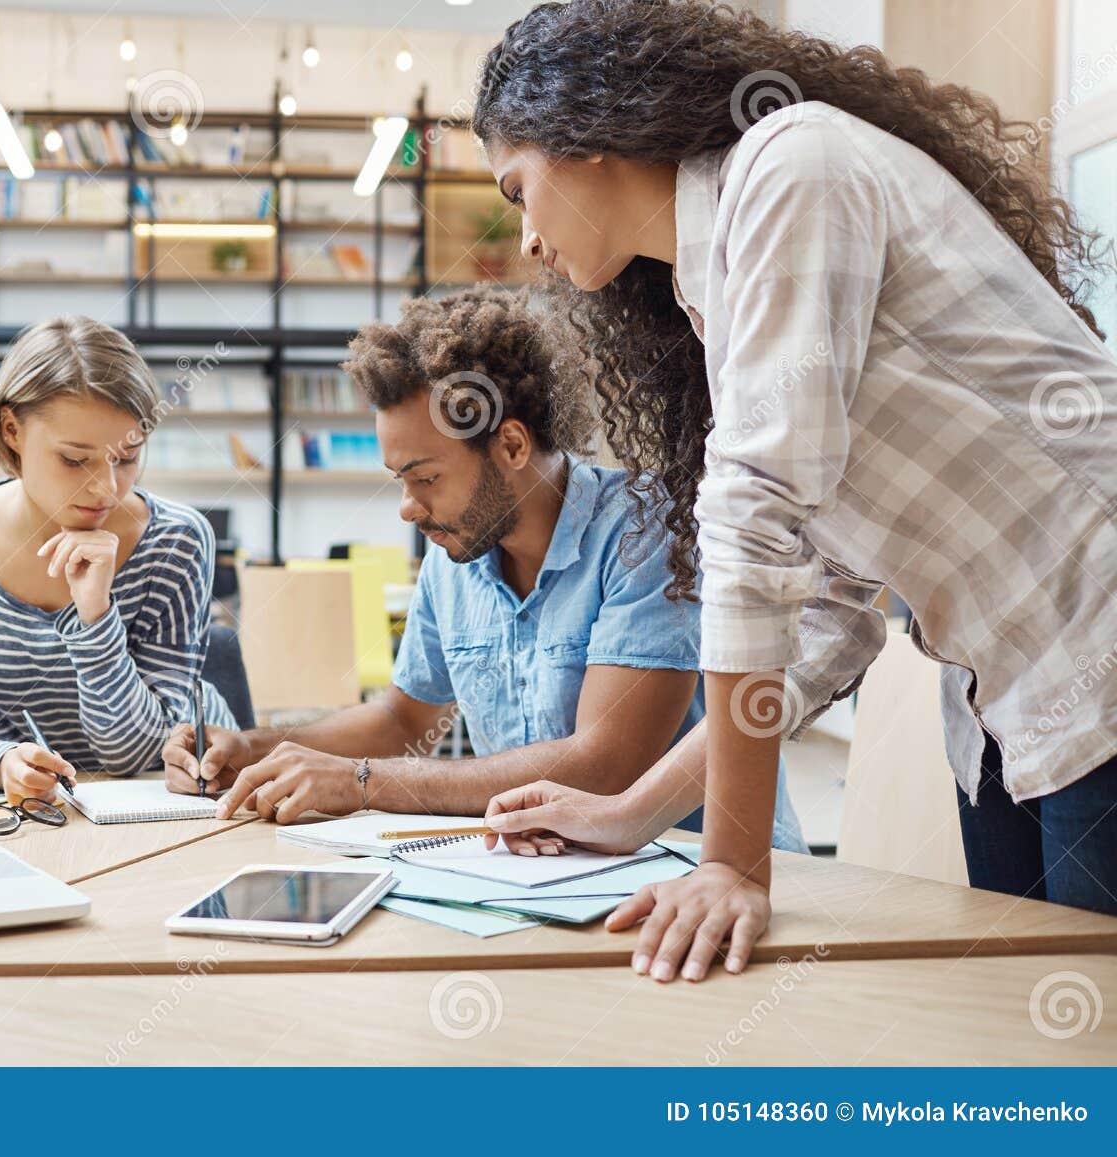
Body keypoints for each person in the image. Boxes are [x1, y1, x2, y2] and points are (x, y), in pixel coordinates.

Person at [471, 0, 1117, 983]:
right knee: (1029, 1029)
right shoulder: (712, 281)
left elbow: (755, 513)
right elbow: (824, 615)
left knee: (1089, 1038)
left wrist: (731, 857)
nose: (525, 237)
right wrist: (637, 808)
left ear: (585, 134)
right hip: (1003, 697)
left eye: (518, 189)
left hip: (1093, 642)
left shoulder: (789, 166)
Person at [161, 287, 806, 852]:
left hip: (692, 869)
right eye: (401, 482)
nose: (410, 509)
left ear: (513, 445)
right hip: (550, 874)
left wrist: (361, 783)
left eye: (426, 478)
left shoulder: (643, 531)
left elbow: (605, 764)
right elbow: (403, 721)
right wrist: (255, 749)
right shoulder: (457, 552)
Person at [0, 316, 235, 803]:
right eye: (74, 459)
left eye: (127, 457)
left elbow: (133, 753)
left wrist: (95, 616)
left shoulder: (177, 541)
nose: (105, 489)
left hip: (157, 801)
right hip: (28, 806)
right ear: (11, 431)